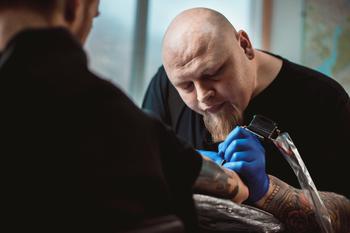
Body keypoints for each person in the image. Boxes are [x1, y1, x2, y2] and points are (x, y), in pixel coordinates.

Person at [0, 1, 250, 232]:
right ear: (74, 8)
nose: (203, 95)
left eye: (214, 72)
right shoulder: (122, 122)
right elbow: (236, 189)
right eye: (94, 17)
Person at [143, 7, 350, 233]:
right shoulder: (165, 87)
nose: (203, 96)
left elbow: (346, 217)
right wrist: (186, 168)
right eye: (186, 86)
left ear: (244, 45)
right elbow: (141, 184)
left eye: (212, 73)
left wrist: (266, 190)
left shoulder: (323, 100)